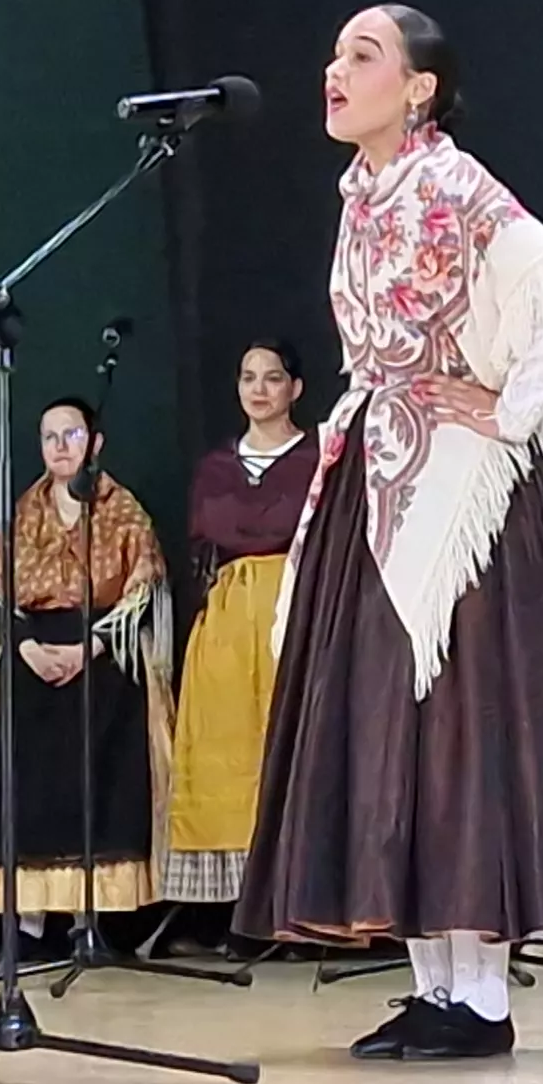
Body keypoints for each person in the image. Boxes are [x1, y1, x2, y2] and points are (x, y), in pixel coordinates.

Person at [236, 4, 543, 1063]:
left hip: (454, 486)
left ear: (419, 89)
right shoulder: (364, 192)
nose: (333, 69)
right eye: (334, 51)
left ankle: (481, 994)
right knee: (386, 722)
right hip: (374, 469)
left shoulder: (452, 181)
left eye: (363, 55)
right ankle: (432, 982)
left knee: (458, 722)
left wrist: (511, 406)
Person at [0, 397, 172, 926]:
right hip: (32, 656)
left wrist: (90, 648)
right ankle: (33, 921)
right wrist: (28, 646)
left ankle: (95, 917)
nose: (59, 446)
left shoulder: (123, 510)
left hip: (104, 655)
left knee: (102, 784)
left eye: (72, 435)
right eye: (49, 436)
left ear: (95, 444)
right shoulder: (25, 512)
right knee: (29, 786)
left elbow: (141, 586)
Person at [163, 340, 318, 914]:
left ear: (294, 388)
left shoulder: (319, 458)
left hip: (296, 606)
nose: (259, 389)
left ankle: (302, 903)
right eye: (248, 377)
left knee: (294, 744)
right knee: (229, 746)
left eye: (272, 378)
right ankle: (239, 906)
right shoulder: (216, 467)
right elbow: (210, 536)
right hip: (228, 613)